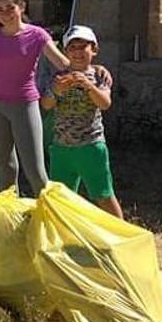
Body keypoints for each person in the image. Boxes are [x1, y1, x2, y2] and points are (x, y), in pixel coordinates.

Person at [0, 0, 69, 196]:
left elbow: (63, 63)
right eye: (0, 9)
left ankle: (50, 219)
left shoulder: (37, 35)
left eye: (10, 8)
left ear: (21, 6)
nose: (5, 14)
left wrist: (94, 68)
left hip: (24, 106)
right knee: (6, 170)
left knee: (36, 172)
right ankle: (10, 220)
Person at [40, 25, 123, 219]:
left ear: (93, 50)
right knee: (62, 198)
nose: (77, 52)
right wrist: (56, 91)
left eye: (82, 46)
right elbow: (46, 105)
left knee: (103, 194)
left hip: (91, 147)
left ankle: (121, 235)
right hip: (61, 148)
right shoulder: (58, 77)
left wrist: (88, 86)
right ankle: (65, 238)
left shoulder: (100, 76)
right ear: (65, 52)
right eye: (72, 47)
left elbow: (105, 104)